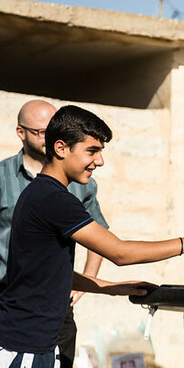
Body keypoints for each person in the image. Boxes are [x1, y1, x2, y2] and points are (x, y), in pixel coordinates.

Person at [0, 105, 184, 367]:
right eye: (92, 151)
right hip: (25, 347)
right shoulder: (53, 199)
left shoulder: (39, 192)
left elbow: (45, 272)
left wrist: (112, 288)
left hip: (31, 342)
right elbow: (119, 252)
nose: (100, 161)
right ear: (61, 148)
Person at [0, 100, 110, 368]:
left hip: (54, 304)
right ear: (20, 132)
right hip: (11, 300)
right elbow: (120, 251)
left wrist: (88, 281)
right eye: (41, 131)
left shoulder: (81, 182)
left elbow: (100, 236)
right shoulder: (4, 178)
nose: (49, 135)